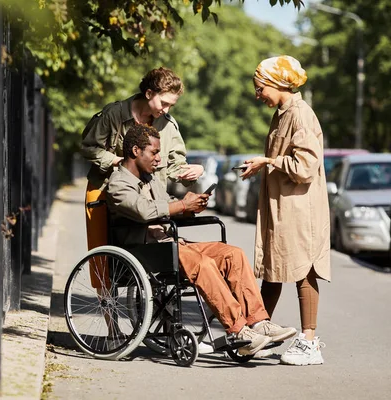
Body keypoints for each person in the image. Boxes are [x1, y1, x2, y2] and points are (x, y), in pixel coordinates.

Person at [107, 123, 297, 356]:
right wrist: (180, 205)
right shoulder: (117, 183)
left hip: (169, 244)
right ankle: (239, 331)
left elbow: (168, 205)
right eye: (154, 152)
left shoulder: (152, 179)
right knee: (203, 264)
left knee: (232, 254)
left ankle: (258, 322)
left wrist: (190, 205)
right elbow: (144, 210)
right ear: (136, 151)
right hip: (143, 249)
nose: (158, 159)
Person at [241, 55, 330, 366]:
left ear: (277, 84)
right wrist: (261, 165)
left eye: (259, 88)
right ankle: (258, 331)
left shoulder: (301, 116)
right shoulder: (281, 114)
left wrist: (268, 162)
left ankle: (309, 342)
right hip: (282, 206)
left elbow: (305, 167)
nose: (257, 95)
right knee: (273, 270)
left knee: (303, 269)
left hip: (299, 209)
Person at [81, 67, 204, 260]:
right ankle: (104, 290)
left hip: (150, 202)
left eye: (171, 105)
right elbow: (88, 147)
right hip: (109, 194)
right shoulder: (115, 114)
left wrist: (192, 172)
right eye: (164, 103)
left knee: (158, 255)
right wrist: (117, 161)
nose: (166, 110)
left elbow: (175, 167)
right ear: (148, 93)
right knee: (102, 260)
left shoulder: (168, 125)